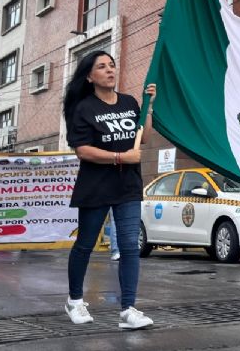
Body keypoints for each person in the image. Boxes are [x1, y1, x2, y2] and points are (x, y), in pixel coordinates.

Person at [62, 50, 156, 330]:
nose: (109, 70)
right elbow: (82, 150)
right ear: (90, 77)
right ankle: (75, 300)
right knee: (85, 245)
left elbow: (144, 137)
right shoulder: (84, 108)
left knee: (129, 247)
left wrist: (149, 108)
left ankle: (128, 309)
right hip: (96, 186)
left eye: (112, 65)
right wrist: (119, 158)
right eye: (101, 67)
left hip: (127, 186)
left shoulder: (129, 102)